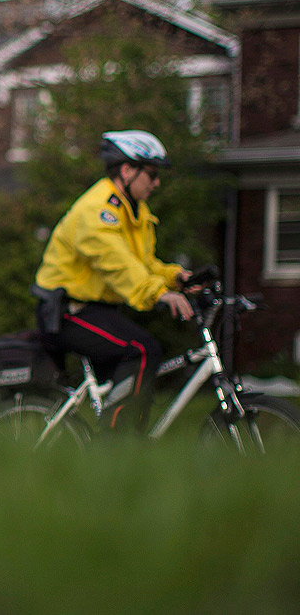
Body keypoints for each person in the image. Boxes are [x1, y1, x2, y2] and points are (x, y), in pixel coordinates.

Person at [33, 130, 193, 433]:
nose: (156, 183)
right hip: (66, 313)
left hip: (95, 311)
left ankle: (115, 442)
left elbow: (142, 264)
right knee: (142, 350)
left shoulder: (133, 209)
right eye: (152, 174)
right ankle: (117, 446)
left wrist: (174, 278)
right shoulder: (97, 211)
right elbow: (116, 265)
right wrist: (157, 294)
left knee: (127, 377)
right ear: (127, 170)